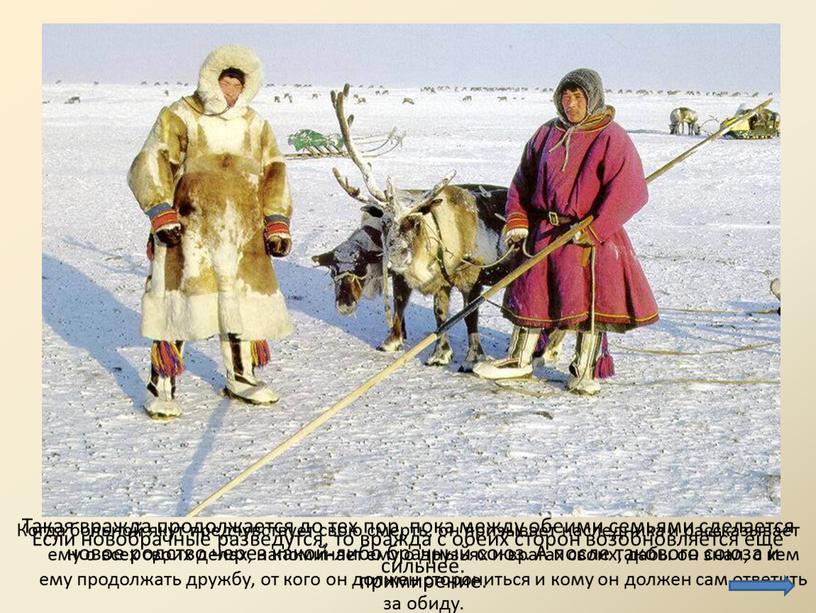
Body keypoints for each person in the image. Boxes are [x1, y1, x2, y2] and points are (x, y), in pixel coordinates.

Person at [127, 45, 294, 418]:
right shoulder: (182, 115)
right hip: (189, 231)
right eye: (226, 81)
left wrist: (276, 220)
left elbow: (274, 173)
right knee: (179, 305)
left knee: (240, 304)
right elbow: (151, 161)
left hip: (243, 235)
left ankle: (241, 377)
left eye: (239, 83)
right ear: (211, 80)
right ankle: (162, 385)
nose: (231, 89)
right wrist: (161, 212)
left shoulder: (256, 125)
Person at [473, 68, 658, 395]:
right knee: (533, 294)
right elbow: (522, 181)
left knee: (587, 301)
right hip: (545, 229)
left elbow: (630, 191)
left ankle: (585, 368)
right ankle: (521, 359)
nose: (570, 103)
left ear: (593, 98)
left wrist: (596, 229)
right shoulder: (546, 133)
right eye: (565, 96)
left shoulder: (611, 136)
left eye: (578, 97)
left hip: (587, 234)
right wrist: (517, 219)